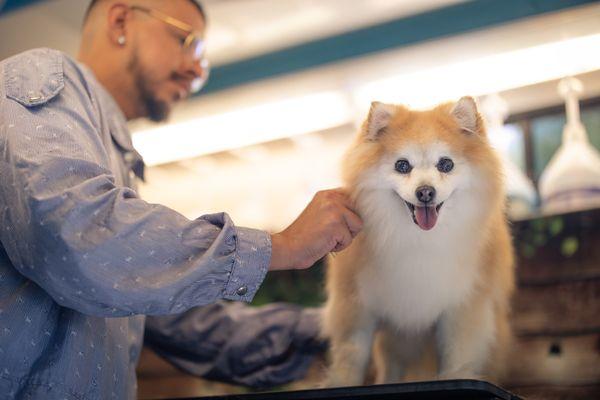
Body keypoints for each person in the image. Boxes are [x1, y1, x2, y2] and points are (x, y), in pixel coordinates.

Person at [0, 0, 363, 398]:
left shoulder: (117, 165)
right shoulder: (46, 75)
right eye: (185, 41)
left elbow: (191, 327)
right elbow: (76, 236)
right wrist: (283, 246)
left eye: (202, 58)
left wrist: (344, 326)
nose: (196, 69)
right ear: (120, 20)